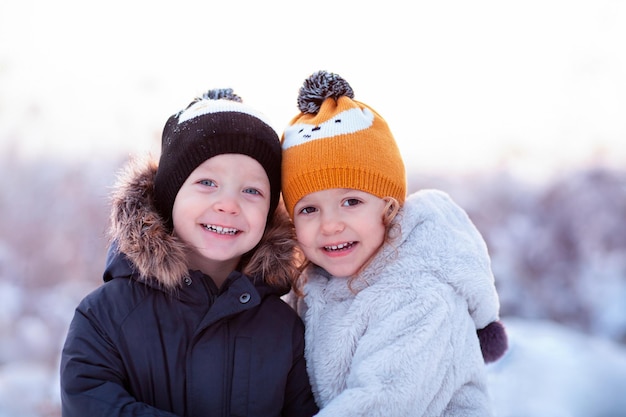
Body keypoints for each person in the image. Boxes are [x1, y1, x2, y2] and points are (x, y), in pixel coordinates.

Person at [60, 88, 319, 417]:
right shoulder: (105, 316)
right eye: (207, 183)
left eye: (252, 190)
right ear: (170, 195)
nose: (228, 204)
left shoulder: (284, 330)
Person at [280, 71, 508, 417]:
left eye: (351, 201)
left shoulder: (419, 291)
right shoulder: (314, 284)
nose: (330, 224)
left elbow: (381, 401)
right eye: (309, 209)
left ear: (389, 207)